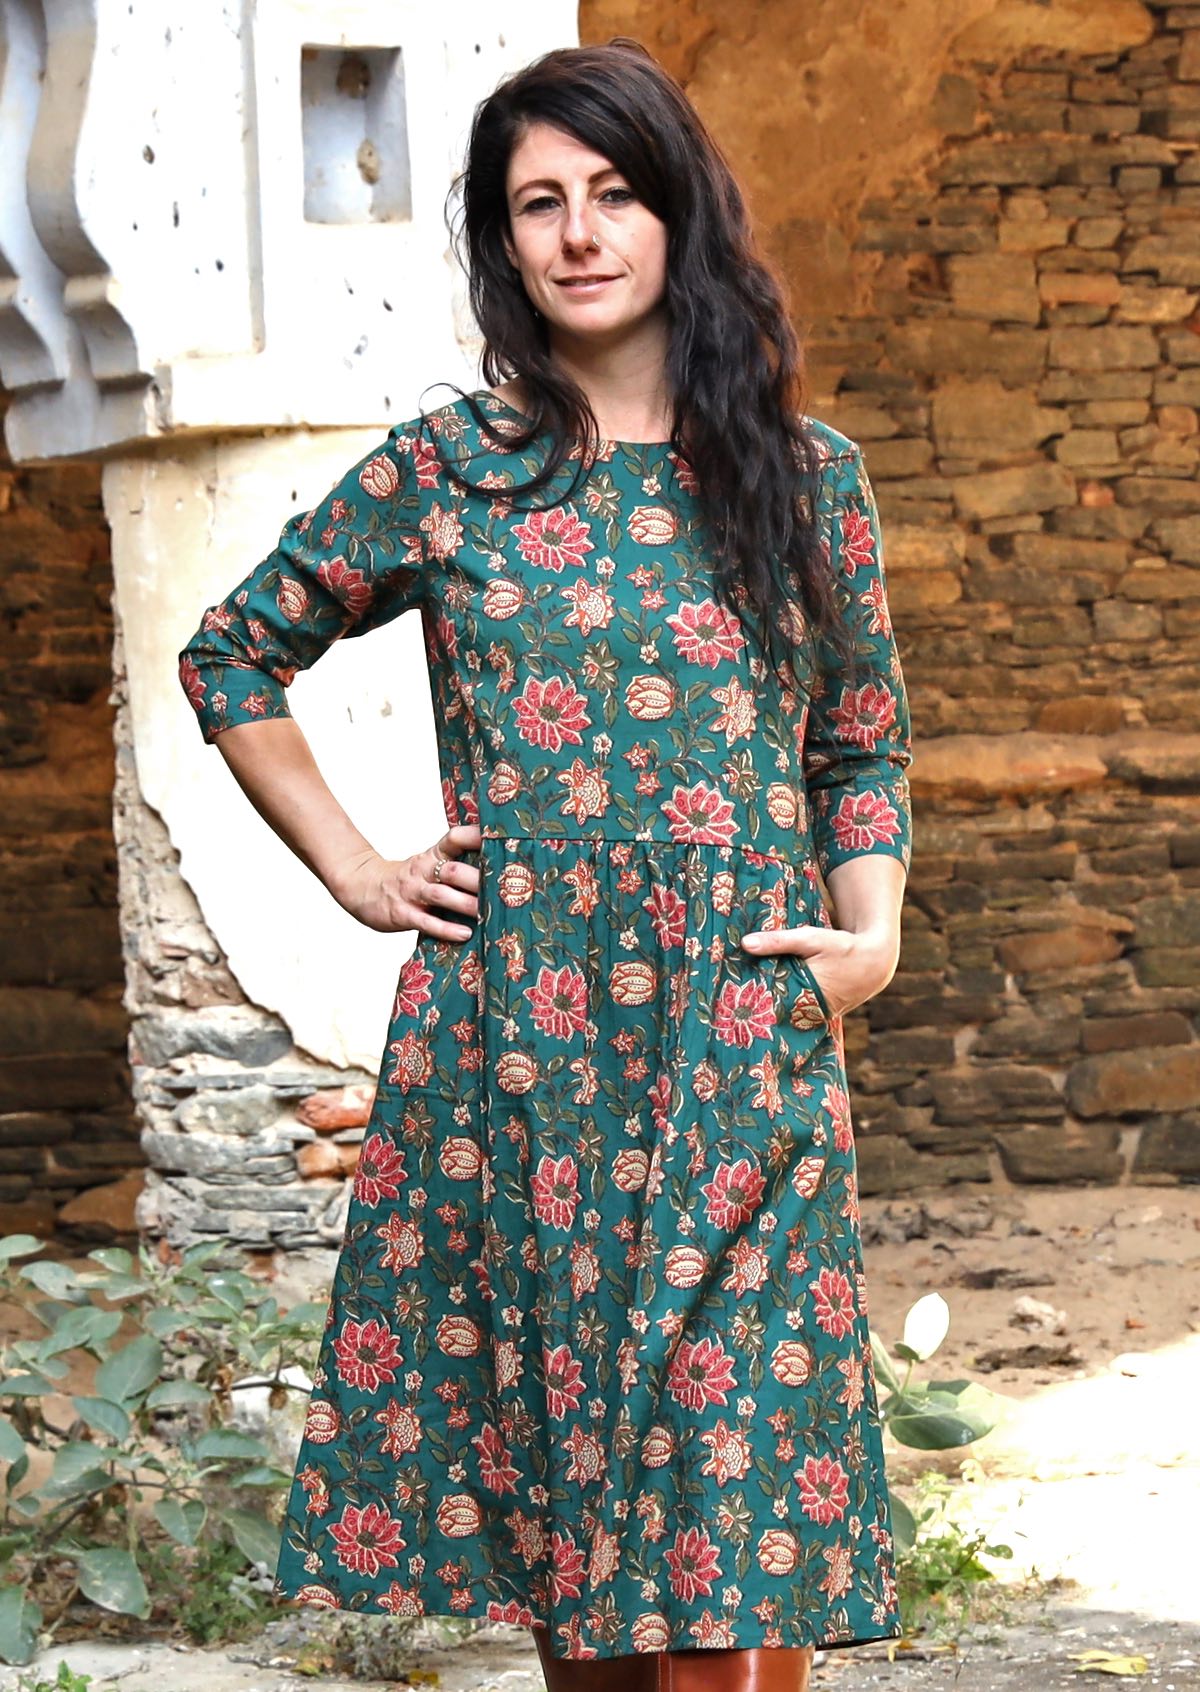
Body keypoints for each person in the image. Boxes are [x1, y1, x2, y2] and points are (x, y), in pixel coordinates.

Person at [178, 37, 913, 1692]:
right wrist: (360, 872)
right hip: (522, 1046)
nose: (581, 234)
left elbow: (858, 739)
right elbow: (233, 656)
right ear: (504, 242)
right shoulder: (456, 471)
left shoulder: (809, 484)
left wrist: (866, 934)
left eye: (615, 194)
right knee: (578, 1543)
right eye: (538, 204)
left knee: (736, 1527)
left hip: (741, 1034)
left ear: (679, 218)